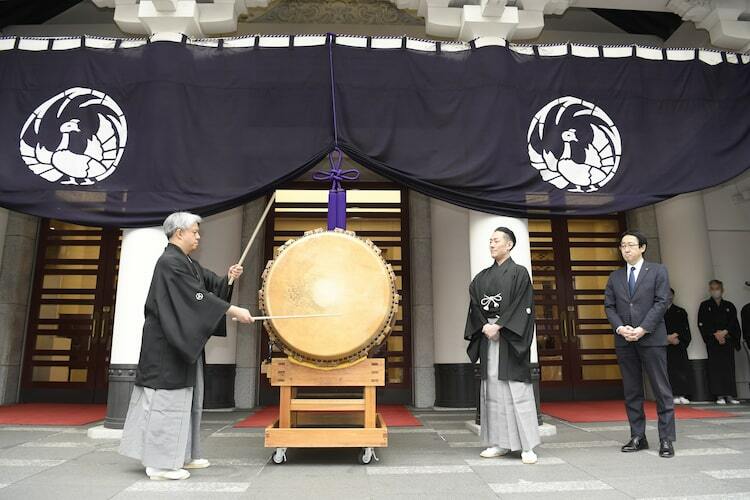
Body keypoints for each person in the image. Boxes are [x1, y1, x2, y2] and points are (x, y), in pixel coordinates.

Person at [119, 212, 255, 480]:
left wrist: (228, 278)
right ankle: (159, 464)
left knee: (185, 401)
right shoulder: (170, 262)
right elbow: (198, 297)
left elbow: (206, 286)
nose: (198, 236)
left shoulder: (185, 262)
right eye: (194, 231)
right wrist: (232, 309)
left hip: (177, 341)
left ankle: (179, 456)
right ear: (179, 232)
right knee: (165, 402)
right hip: (165, 346)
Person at [465, 227, 540, 464]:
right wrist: (485, 327)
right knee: (493, 393)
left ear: (509, 245)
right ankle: (498, 443)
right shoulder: (482, 276)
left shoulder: (519, 273)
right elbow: (475, 303)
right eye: (490, 241)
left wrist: (501, 326)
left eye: (496, 241)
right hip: (488, 338)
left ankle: (526, 446)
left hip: (509, 338)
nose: (491, 244)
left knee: (516, 390)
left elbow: (523, 305)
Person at [604, 230, 675, 458]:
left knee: (661, 390)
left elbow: (662, 301)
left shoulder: (657, 270)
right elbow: (609, 306)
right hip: (625, 340)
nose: (626, 249)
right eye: (622, 245)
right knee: (632, 391)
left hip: (651, 338)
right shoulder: (615, 277)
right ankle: (638, 436)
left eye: (631, 245)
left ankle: (666, 439)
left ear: (642, 247)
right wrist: (620, 328)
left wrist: (643, 328)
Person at [698, 280, 741, 405]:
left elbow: (734, 322)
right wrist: (716, 335)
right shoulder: (705, 305)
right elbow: (702, 323)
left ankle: (730, 395)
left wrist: (725, 332)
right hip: (713, 342)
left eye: (717, 288)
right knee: (715, 368)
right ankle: (719, 395)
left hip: (727, 341)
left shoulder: (729, 305)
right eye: (712, 288)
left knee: (729, 367)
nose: (715, 290)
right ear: (710, 290)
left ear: (722, 290)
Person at [664, 288, 692, 404]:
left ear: (673, 296)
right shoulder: (657, 312)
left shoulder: (681, 311)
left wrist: (677, 337)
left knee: (681, 369)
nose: (668, 296)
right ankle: (670, 395)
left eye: (670, 294)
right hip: (664, 346)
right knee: (667, 371)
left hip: (678, 345)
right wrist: (666, 338)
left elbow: (685, 328)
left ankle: (682, 394)